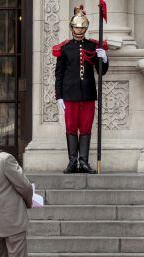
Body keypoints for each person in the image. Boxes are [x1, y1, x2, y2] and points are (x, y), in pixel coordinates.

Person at [53, 5, 108, 174]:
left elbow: (101, 72)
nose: (79, 30)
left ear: (86, 28)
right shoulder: (65, 48)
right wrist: (59, 96)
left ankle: (83, 161)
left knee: (85, 128)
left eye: (82, 27)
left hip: (88, 94)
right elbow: (59, 74)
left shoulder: (93, 46)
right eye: (76, 27)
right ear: (71, 28)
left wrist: (104, 58)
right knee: (71, 128)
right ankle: (72, 161)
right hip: (69, 95)